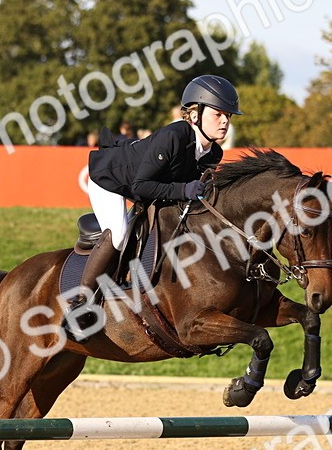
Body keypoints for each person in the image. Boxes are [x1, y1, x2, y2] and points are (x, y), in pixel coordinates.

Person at [64, 75, 243, 339]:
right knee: (120, 232)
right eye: (218, 114)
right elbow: (141, 186)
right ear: (195, 115)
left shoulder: (213, 153)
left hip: (145, 186)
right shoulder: (173, 136)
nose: (225, 122)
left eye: (229, 116)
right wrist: (184, 189)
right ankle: (80, 304)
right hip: (111, 180)